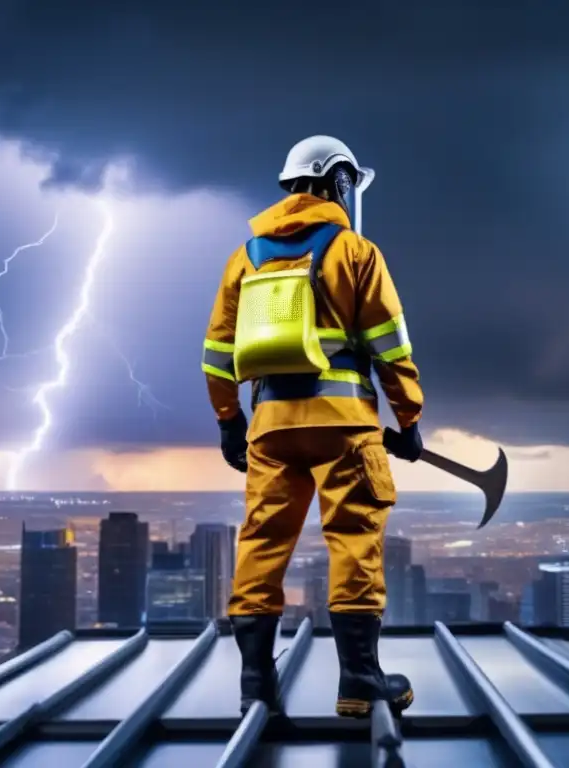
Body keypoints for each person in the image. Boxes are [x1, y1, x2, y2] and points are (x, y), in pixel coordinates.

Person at [201, 135, 424, 719]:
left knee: (261, 542)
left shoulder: (245, 256)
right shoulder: (354, 251)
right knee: (353, 538)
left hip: (270, 427)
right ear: (339, 183)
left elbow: (217, 352)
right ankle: (359, 680)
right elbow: (389, 346)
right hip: (343, 424)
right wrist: (409, 419)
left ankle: (256, 686)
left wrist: (230, 421)